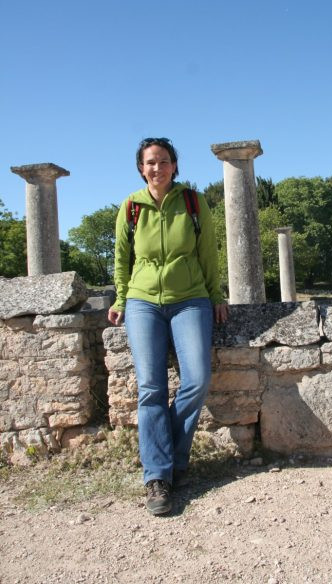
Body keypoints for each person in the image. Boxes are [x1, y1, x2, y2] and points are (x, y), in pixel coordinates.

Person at [108, 137, 228, 515]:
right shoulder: (130, 208)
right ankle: (158, 477)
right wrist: (121, 298)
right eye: (149, 162)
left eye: (162, 161)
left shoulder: (193, 203)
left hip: (190, 297)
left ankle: (172, 455)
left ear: (174, 165)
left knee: (197, 378)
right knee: (151, 387)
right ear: (141, 169)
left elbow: (208, 252)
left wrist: (216, 294)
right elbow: (121, 261)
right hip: (143, 302)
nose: (156, 168)